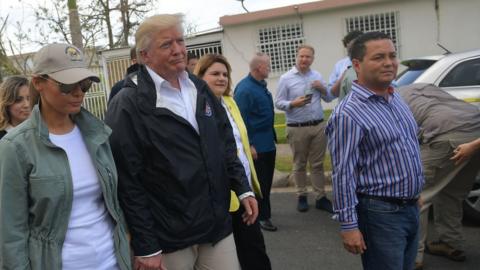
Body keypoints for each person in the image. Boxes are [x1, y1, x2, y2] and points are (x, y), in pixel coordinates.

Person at [105, 14, 258, 270]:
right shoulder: (128, 105)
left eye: (180, 41)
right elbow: (127, 180)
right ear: (145, 56)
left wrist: (242, 187)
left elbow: (224, 143)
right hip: (169, 238)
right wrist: (146, 244)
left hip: (216, 228)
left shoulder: (199, 88)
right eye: (166, 45)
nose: (178, 50)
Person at [0, 43, 132, 270]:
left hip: (113, 262)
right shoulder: (15, 146)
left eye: (85, 83)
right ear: (38, 83)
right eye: (67, 85)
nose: (79, 91)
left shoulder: (97, 134)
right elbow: (11, 231)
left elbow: (115, 204)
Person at [325, 32, 424, 270]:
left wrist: (416, 190)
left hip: (411, 207)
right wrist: (349, 226)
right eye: (379, 57)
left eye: (392, 55)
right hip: (380, 214)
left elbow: (408, 145)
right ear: (357, 65)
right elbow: (343, 173)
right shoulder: (348, 114)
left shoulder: (395, 97)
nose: (389, 63)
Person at [194, 53, 272, 270]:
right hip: (221, 198)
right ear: (200, 76)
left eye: (225, 74)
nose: (222, 78)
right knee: (232, 255)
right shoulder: (196, 107)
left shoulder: (230, 102)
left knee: (255, 251)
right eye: (215, 74)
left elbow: (239, 143)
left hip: (245, 188)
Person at [397, 83, 480, 270]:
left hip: (445, 134)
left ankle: (414, 257)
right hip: (476, 136)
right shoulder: (423, 86)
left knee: (418, 196)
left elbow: (403, 141)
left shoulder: (392, 101)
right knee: (451, 192)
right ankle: (452, 244)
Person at [274, 44, 334, 213]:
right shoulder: (286, 78)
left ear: (312, 59)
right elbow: (278, 102)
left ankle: (321, 197)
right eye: (302, 56)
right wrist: (293, 103)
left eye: (308, 57)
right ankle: (301, 196)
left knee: (317, 164)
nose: (304, 59)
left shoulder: (317, 76)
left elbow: (328, 98)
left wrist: (323, 88)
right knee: (299, 164)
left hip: (318, 126)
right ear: (296, 57)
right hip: (297, 127)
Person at [234, 53, 277, 232]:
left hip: (268, 143)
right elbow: (240, 120)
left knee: (266, 182)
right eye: (267, 65)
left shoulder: (259, 86)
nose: (270, 68)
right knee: (260, 183)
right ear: (259, 68)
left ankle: (263, 211)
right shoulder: (245, 90)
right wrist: (249, 144)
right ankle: (262, 217)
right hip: (257, 146)